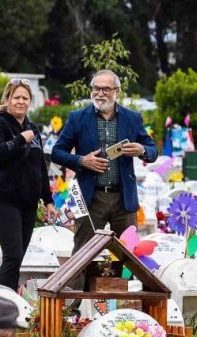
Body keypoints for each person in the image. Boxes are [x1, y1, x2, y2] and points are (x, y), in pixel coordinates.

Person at [51, 69, 159, 253]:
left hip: (123, 198)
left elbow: (153, 151)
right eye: (96, 88)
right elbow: (56, 153)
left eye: (106, 89)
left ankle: (122, 275)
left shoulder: (132, 118)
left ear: (117, 91)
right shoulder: (77, 118)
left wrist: (141, 150)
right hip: (90, 198)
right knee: (83, 254)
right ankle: (81, 275)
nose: (100, 93)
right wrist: (82, 160)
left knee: (127, 254)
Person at [0, 82, 48, 291]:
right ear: (7, 100)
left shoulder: (33, 128)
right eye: (16, 97)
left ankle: (9, 301)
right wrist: (20, 140)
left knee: (18, 258)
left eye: (25, 98)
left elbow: (41, 167)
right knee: (12, 256)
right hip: (5, 198)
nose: (21, 102)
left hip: (28, 202)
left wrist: (48, 200)